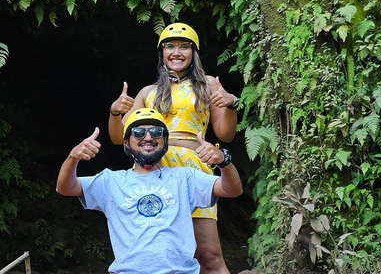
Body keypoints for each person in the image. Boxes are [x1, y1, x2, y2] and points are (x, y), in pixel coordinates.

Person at [108, 23, 240, 274]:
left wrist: (231, 104)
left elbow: (225, 133)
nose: (176, 52)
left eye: (184, 46)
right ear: (162, 53)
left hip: (195, 167)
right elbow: (119, 137)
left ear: (194, 53)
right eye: (170, 46)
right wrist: (115, 112)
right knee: (164, 253)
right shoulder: (149, 92)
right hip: (156, 169)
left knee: (209, 255)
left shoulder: (209, 85)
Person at [57, 108, 243, 274]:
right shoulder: (111, 181)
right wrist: (73, 158)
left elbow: (232, 189)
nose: (148, 137)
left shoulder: (185, 178)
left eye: (156, 132)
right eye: (138, 132)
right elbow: (66, 187)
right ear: (127, 143)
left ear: (165, 141)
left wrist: (223, 161)